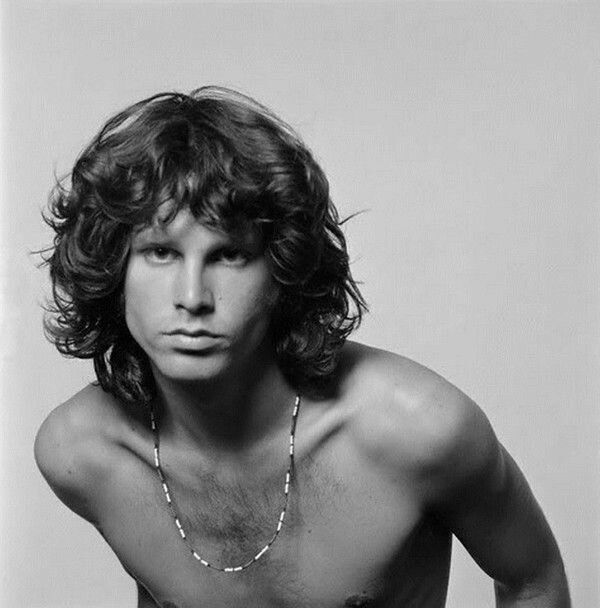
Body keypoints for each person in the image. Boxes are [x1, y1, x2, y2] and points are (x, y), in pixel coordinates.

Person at [35, 86, 570, 608]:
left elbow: (533, 581)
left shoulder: (417, 429)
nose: (192, 297)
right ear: (114, 269)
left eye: (229, 254)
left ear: (282, 273)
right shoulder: (82, 453)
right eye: (160, 252)